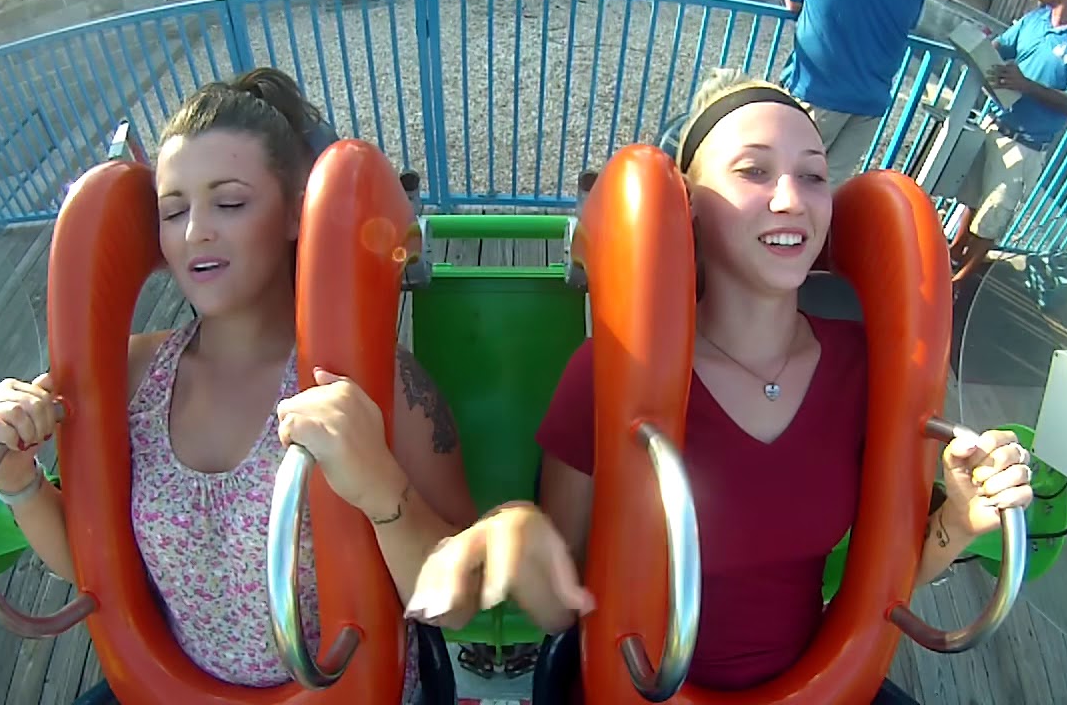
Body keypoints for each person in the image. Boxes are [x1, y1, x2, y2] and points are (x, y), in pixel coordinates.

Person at [403, 72, 1034, 701]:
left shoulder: (863, 369)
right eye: (753, 171)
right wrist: (517, 529)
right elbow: (561, 608)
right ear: (689, 207)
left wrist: (957, 519)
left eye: (813, 175)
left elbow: (885, 585)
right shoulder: (608, 371)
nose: (791, 199)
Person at [0, 67, 477, 702]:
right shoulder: (130, 375)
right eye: (173, 210)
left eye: (229, 203)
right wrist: (19, 476)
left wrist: (380, 487)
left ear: (297, 215)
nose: (195, 232)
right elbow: (94, 566)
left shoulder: (383, 385)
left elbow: (456, 604)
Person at [950, 0, 1067, 283]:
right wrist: (982, 44)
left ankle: (960, 282)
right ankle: (953, 253)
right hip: (994, 125)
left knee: (993, 217)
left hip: (1026, 146)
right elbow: (1000, 49)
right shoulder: (1034, 20)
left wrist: (1027, 86)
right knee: (970, 200)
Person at [777, 0, 930, 186]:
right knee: (825, 187)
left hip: (817, 86)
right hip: (872, 97)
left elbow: (793, 3)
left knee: (781, 176)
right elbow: (909, 22)